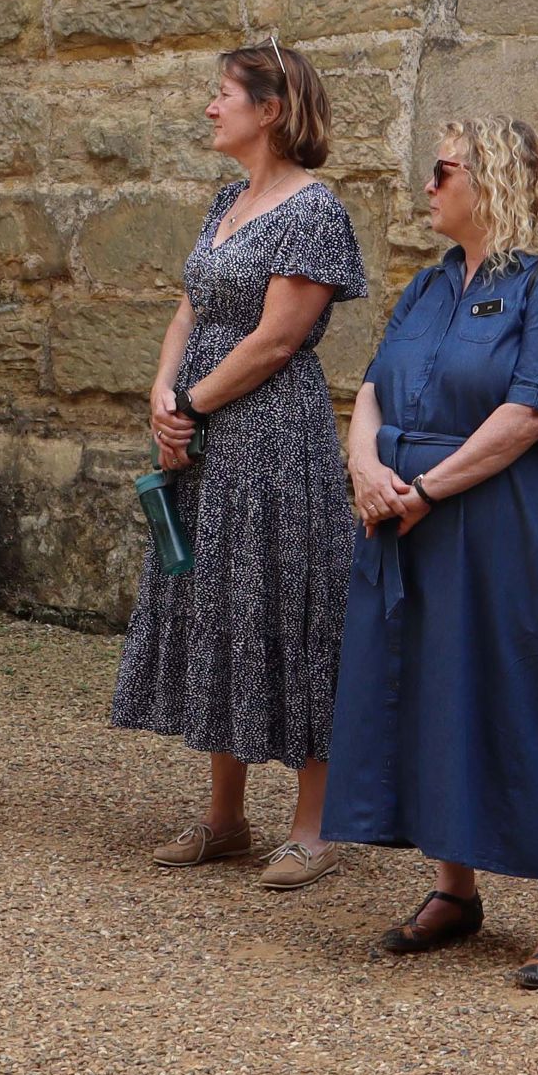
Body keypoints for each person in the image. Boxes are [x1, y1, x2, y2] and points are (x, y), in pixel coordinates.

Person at [323, 115, 538, 988]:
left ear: (487, 178)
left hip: (500, 511)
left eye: (441, 169)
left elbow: (530, 415)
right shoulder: (427, 286)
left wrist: (425, 490)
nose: (427, 185)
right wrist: (366, 466)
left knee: (514, 682)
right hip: (401, 510)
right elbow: (373, 386)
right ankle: (454, 884)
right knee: (414, 679)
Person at [116, 45, 370, 887]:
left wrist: (189, 406)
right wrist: (162, 389)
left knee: (285, 602)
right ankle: (226, 817)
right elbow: (190, 307)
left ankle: (314, 823)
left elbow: (275, 340)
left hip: (266, 434)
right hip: (201, 434)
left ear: (269, 110)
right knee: (216, 600)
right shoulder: (229, 199)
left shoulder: (312, 211)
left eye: (221, 96)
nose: (208, 108)